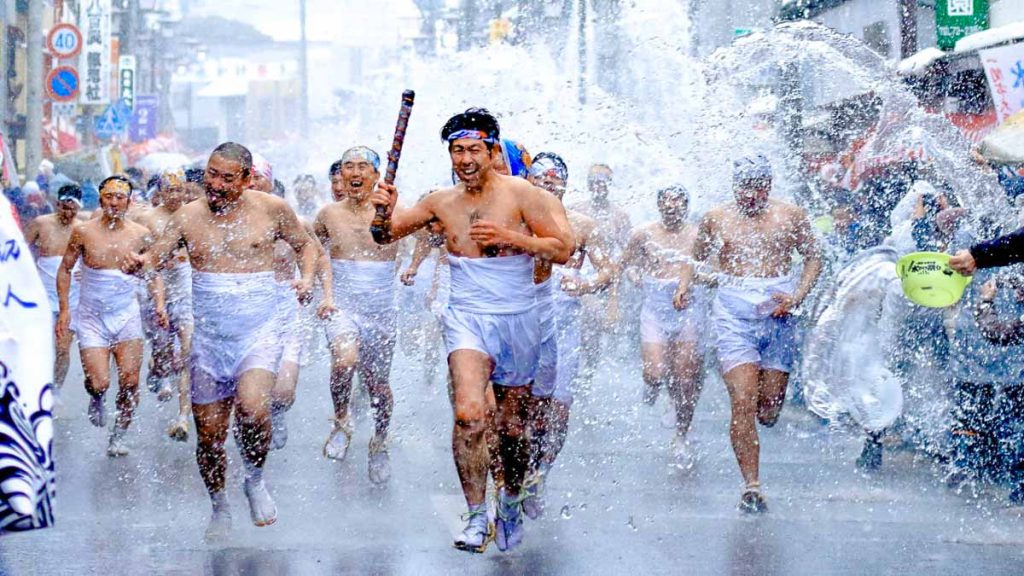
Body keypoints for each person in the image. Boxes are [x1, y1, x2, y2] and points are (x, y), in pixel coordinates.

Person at [369, 109, 574, 553]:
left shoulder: (526, 195)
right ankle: (476, 515)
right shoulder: (441, 202)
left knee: (513, 427)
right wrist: (383, 213)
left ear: (492, 150)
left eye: (473, 149)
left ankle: (512, 499)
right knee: (469, 415)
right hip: (466, 316)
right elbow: (385, 237)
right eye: (457, 150)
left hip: (520, 317)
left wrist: (513, 237)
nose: (465, 159)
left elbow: (563, 248)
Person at [123, 142, 323, 538]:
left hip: (258, 333)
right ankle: (219, 506)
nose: (214, 184)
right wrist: (140, 264)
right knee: (210, 437)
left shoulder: (272, 209)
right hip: (210, 340)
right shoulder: (188, 216)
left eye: (226, 178)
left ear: (247, 180)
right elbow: (157, 257)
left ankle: (254, 478)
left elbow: (307, 247)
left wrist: (306, 278)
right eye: (211, 174)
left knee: (252, 410)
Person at [673, 155, 821, 513]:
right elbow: (694, 258)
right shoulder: (716, 218)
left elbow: (814, 257)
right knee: (742, 401)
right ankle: (752, 486)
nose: (749, 194)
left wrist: (798, 295)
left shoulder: (791, 215)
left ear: (768, 186)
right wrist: (684, 285)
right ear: (734, 185)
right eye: (743, 186)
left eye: (757, 186)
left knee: (767, 411)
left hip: (778, 313)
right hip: (733, 317)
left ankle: (764, 420)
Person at [524, 152, 614, 519]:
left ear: (564, 184)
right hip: (522, 324)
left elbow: (608, 270)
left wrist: (587, 283)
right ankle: (513, 478)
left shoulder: (582, 225)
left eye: (554, 180)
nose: (547, 185)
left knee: (558, 411)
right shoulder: (515, 220)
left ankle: (540, 474)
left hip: (564, 328)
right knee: (519, 410)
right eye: (540, 179)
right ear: (529, 183)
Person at [57, 175, 167, 457]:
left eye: (120, 198)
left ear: (129, 201)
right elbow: (66, 269)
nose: (114, 203)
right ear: (101, 199)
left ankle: (118, 436)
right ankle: (96, 396)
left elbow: (154, 273)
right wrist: (65, 310)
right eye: (109, 197)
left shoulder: (141, 234)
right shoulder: (84, 232)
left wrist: (159, 304)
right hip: (92, 316)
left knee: (130, 383)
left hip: (126, 315)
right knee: (99, 382)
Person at [314, 146, 400, 484]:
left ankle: (379, 441)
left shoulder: (394, 213)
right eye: (349, 166)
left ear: (377, 176)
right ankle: (341, 421)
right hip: (342, 305)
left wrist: (417, 266)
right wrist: (317, 288)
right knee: (343, 361)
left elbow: (429, 238)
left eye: (363, 166)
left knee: (378, 385)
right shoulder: (328, 214)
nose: (355, 172)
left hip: (380, 310)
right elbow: (316, 253)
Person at [622, 184, 711, 469]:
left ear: (686, 205)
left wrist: (699, 280)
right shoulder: (644, 233)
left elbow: (717, 268)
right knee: (656, 371)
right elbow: (627, 264)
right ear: (659, 205)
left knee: (685, 376)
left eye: (678, 202)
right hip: (656, 308)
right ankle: (653, 385)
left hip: (688, 306)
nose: (672, 207)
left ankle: (681, 434)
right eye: (667, 202)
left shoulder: (699, 234)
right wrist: (635, 275)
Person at [132, 169, 196, 441]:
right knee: (163, 352)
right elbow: (135, 251)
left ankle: (182, 417)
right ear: (159, 192)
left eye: (179, 190)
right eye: (169, 190)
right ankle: (157, 370)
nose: (174, 195)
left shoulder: (193, 215)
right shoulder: (147, 218)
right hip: (154, 290)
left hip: (186, 289)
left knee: (187, 354)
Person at [570, 164, 632, 384]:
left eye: (603, 181)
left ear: (609, 184)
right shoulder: (576, 209)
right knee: (590, 316)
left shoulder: (619, 216)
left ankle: (590, 372)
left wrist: (631, 274)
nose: (599, 185)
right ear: (588, 184)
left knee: (601, 329)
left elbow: (626, 250)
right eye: (594, 181)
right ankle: (580, 370)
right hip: (582, 271)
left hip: (607, 273)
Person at [25, 184, 83, 394]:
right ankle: (35, 387)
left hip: (71, 296)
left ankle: (55, 391)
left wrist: (85, 271)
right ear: (57, 204)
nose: (67, 213)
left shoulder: (84, 227)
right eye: (64, 207)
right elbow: (21, 251)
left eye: (72, 209)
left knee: (62, 349)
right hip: (42, 294)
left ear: (78, 208)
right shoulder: (41, 223)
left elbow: (95, 254)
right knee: (40, 347)